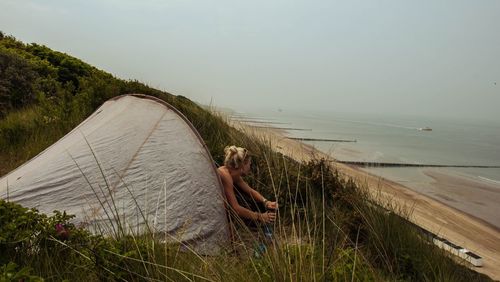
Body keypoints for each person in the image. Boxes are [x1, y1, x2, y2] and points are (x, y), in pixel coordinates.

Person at [217, 145, 278, 224]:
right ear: (242, 165)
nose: (250, 167)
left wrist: (266, 202)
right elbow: (236, 208)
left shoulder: (233, 174)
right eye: (249, 164)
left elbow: (250, 191)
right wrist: (260, 216)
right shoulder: (225, 176)